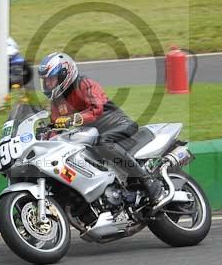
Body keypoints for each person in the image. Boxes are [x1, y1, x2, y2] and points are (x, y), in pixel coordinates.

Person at [38, 52, 165, 205]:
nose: (48, 85)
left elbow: (95, 110)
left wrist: (72, 120)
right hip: (91, 136)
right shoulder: (56, 102)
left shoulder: (84, 83)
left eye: (51, 80)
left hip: (119, 125)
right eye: (45, 81)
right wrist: (44, 137)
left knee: (103, 143)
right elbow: (55, 126)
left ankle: (149, 182)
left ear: (64, 74)